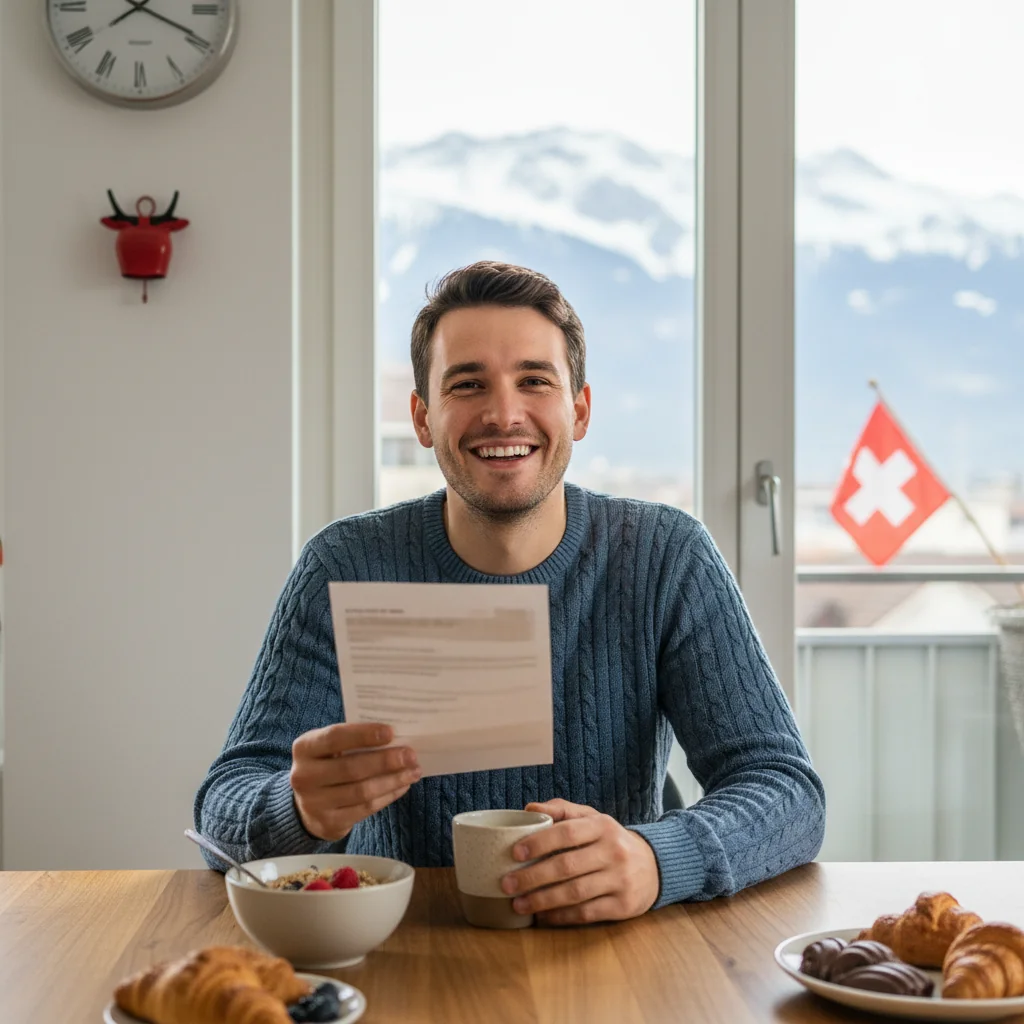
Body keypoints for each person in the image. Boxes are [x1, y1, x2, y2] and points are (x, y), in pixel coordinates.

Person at [194, 261, 825, 926]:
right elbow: (221, 809)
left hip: (619, 947)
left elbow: (787, 792)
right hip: (404, 946)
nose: (503, 413)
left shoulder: (666, 555)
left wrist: (657, 858)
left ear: (579, 411)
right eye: (467, 385)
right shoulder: (344, 564)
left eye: (534, 381)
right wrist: (294, 810)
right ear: (421, 417)